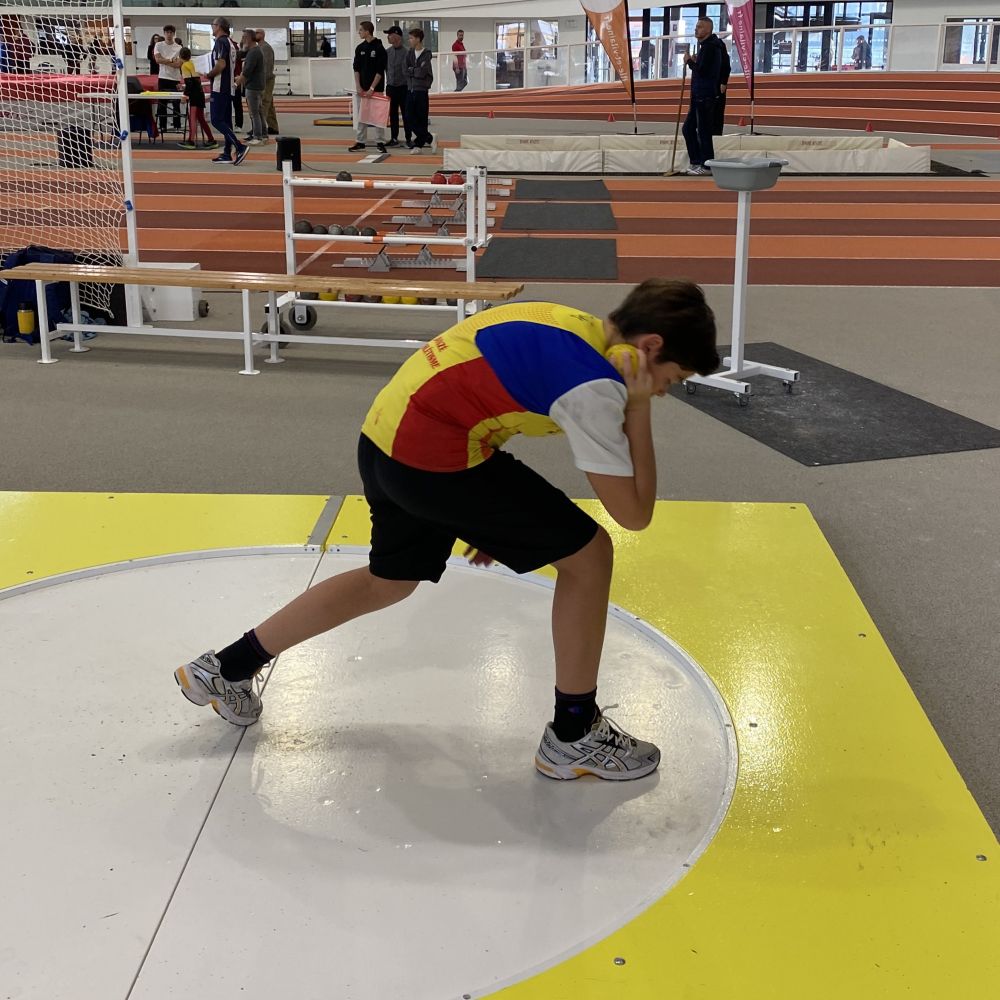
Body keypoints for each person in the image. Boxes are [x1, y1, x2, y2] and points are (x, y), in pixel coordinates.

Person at [174, 279, 720, 782]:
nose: (664, 391)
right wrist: (639, 406)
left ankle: (226, 667)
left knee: (388, 581)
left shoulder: (568, 322)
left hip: (387, 439)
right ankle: (574, 734)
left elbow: (487, 391)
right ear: (649, 347)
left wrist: (476, 515)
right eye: (672, 379)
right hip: (436, 459)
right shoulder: (595, 387)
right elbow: (633, 514)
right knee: (591, 556)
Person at [682, 17, 725, 176]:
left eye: (699, 27)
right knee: (688, 128)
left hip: (704, 95)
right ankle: (696, 161)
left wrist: (689, 62)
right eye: (696, 26)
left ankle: (706, 165)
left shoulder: (710, 47)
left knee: (703, 131)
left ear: (707, 29)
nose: (696, 29)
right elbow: (703, 67)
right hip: (699, 94)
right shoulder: (706, 47)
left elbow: (703, 70)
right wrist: (695, 61)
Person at [205, 17, 248, 166]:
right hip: (229, 87)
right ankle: (227, 152)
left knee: (216, 120)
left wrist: (209, 74)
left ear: (219, 26)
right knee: (227, 121)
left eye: (213, 25)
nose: (212, 27)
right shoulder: (230, 43)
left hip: (220, 86)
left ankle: (239, 146)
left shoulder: (220, 42)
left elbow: (221, 64)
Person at [349, 20, 387, 155]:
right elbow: (356, 69)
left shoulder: (379, 48)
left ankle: (380, 142)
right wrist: (358, 86)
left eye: (360, 30)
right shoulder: (360, 48)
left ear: (367, 31)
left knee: (378, 117)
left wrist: (372, 88)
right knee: (361, 116)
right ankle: (360, 142)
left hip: (376, 89)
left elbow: (380, 71)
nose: (359, 32)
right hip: (362, 90)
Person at [177, 46, 217, 150]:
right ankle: (211, 139)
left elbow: (189, 83)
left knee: (193, 119)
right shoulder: (192, 64)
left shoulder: (184, 66)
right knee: (201, 119)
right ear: (190, 56)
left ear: (180, 57)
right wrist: (185, 88)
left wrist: (184, 96)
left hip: (194, 96)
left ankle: (191, 141)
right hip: (200, 93)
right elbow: (195, 81)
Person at [404, 27, 434, 154]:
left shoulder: (426, 54)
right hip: (410, 89)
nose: (409, 40)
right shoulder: (409, 53)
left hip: (421, 90)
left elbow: (422, 72)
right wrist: (414, 70)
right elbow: (405, 70)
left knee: (422, 117)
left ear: (418, 39)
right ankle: (429, 138)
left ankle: (419, 145)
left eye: (411, 38)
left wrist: (412, 70)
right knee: (408, 117)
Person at [236, 28, 266, 145]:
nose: (242, 40)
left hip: (253, 86)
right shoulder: (255, 50)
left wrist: (237, 83)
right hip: (257, 85)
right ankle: (263, 134)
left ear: (248, 38)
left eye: (243, 37)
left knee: (254, 113)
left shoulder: (253, 52)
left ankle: (257, 137)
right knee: (258, 112)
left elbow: (247, 71)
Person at [382, 25, 409, 148]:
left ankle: (408, 138)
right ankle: (394, 138)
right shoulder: (387, 52)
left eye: (390, 35)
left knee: (406, 114)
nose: (388, 37)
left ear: (397, 36)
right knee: (392, 114)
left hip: (404, 88)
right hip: (391, 87)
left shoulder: (407, 53)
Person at [154, 25, 183, 134]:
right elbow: (157, 60)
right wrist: (171, 60)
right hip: (163, 77)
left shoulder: (179, 47)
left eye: (171, 32)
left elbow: (178, 64)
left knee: (176, 103)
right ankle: (162, 126)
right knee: (162, 103)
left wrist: (164, 60)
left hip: (175, 78)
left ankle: (177, 126)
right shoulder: (159, 45)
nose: (169, 34)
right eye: (167, 32)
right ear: (164, 33)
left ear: (174, 34)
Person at [255, 28, 280, 136]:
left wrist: (261, 80)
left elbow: (266, 66)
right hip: (264, 79)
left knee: (263, 103)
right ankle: (273, 127)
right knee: (269, 105)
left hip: (266, 80)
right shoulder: (259, 47)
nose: (255, 35)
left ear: (262, 35)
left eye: (257, 33)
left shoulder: (265, 47)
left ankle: (260, 127)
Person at [713, 36, 732, 136]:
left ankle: (716, 133)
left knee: (717, 112)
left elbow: (726, 67)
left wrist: (723, 82)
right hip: (713, 85)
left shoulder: (717, 47)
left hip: (717, 85)